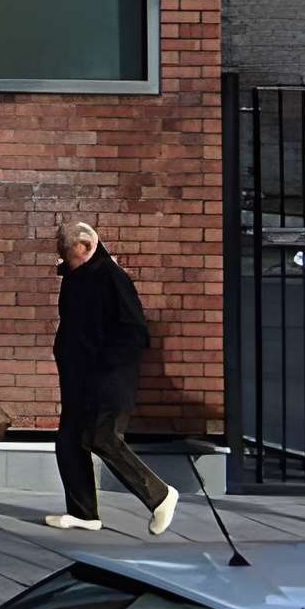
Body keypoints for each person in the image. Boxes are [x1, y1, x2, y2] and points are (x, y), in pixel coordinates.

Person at [49, 221, 178, 537]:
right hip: (79, 379)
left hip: (108, 378)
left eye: (71, 255)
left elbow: (134, 331)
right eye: (64, 256)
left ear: (88, 246)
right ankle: (83, 513)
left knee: (102, 437)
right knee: (68, 442)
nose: (68, 261)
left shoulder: (111, 277)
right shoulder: (75, 278)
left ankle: (159, 495)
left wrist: (104, 366)